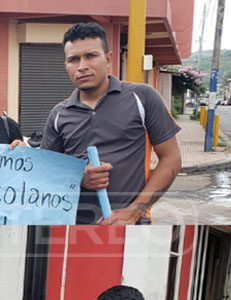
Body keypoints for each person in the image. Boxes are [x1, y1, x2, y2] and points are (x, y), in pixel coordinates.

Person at [41, 23, 182, 225]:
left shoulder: (142, 97)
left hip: (131, 224)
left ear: (108, 59)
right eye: (73, 59)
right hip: (72, 225)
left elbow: (171, 159)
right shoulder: (58, 114)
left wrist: (134, 211)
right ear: (66, 66)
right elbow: (46, 172)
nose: (82, 66)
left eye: (90, 56)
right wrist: (77, 177)